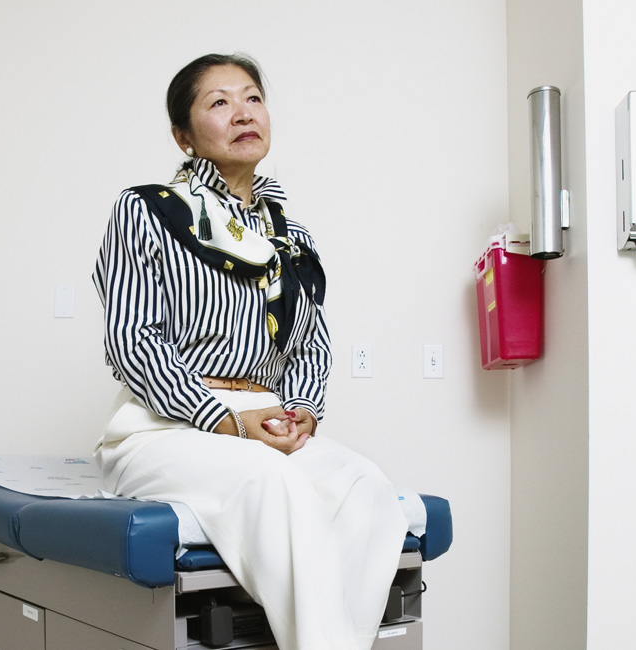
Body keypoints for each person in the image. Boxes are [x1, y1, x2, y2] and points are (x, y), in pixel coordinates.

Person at [92, 53, 408, 650]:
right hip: (163, 429)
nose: (242, 112)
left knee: (366, 486)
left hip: (267, 420)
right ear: (184, 136)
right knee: (270, 480)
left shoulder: (292, 237)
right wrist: (227, 420)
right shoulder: (147, 210)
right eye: (218, 102)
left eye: (252, 98)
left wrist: (302, 412)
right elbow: (132, 342)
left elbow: (311, 343)